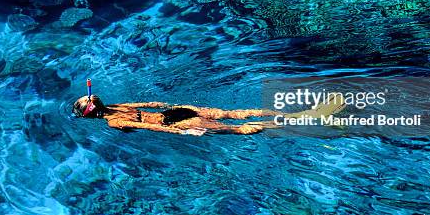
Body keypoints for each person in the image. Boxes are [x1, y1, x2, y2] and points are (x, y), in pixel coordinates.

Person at [72, 90, 346, 136]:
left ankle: (308, 114)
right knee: (238, 123)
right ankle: (308, 117)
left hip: (175, 113)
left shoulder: (115, 108)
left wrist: (171, 105)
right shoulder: (114, 120)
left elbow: (150, 106)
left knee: (236, 118)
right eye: (88, 101)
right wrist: (186, 129)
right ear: (90, 110)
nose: (91, 97)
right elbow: (150, 125)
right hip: (177, 120)